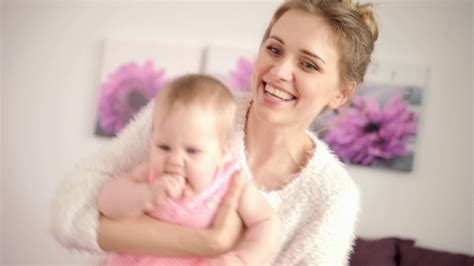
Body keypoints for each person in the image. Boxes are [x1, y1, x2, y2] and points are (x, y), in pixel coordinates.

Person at [52, 0, 379, 264]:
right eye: (274, 49)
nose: (279, 72)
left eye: (308, 64)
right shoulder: (191, 112)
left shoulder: (332, 198)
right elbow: (71, 212)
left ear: (341, 94)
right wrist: (208, 242)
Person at [97, 74, 282, 265]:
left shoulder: (230, 182)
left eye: (192, 151)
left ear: (222, 153)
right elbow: (106, 202)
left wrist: (243, 260)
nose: (175, 160)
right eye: (164, 147)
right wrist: (146, 194)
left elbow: (267, 223)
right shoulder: (149, 175)